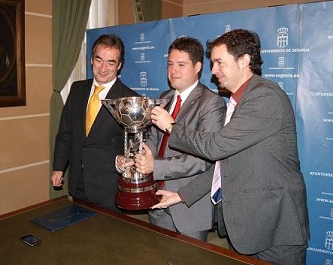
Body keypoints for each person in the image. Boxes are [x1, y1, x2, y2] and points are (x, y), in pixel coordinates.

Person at [150, 29, 309, 264]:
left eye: (219, 62)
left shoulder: (265, 97)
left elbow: (215, 147)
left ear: (244, 60)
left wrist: (172, 126)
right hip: (247, 228)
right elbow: (225, 164)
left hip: (276, 228)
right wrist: (182, 195)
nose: (213, 71)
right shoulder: (239, 102)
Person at [117, 36, 226, 241]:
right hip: (156, 199)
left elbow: (203, 159)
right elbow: (153, 140)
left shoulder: (211, 103)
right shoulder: (165, 97)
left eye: (181, 65)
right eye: (170, 64)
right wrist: (137, 158)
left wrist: (155, 167)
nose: (173, 70)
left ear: (197, 67)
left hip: (187, 206)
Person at [51, 34, 139, 213]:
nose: (103, 68)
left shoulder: (130, 100)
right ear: (91, 60)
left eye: (111, 62)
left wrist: (124, 160)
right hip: (77, 182)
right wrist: (59, 167)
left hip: (109, 188)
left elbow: (135, 146)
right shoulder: (77, 89)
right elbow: (65, 133)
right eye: (99, 60)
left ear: (119, 65)